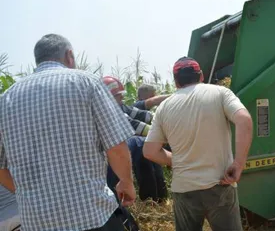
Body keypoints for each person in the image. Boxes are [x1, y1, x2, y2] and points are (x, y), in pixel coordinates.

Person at [0, 34, 136, 231]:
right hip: (91, 215)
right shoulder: (87, 83)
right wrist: (126, 182)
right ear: (69, 56)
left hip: (36, 222)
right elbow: (116, 148)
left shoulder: (6, 100)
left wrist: (26, 192)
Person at [143, 56, 253, 231]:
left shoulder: (164, 107)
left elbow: (149, 151)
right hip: (219, 184)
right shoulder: (220, 93)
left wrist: (177, 160)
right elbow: (244, 120)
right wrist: (238, 164)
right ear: (201, 75)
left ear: (176, 82)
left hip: (184, 189)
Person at [102, 76, 168, 202]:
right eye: (118, 95)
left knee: (145, 148)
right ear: (107, 97)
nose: (122, 97)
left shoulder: (120, 106)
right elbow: (135, 125)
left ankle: (157, 199)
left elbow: (142, 115)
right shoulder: (107, 112)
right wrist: (167, 134)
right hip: (110, 158)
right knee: (140, 143)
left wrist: (164, 119)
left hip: (121, 153)